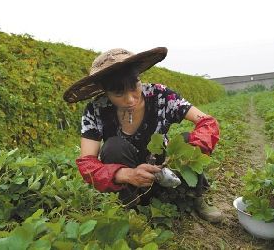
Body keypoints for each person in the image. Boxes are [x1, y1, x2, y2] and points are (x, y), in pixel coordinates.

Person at [63, 47, 223, 223]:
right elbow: (87, 163)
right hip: (130, 176)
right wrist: (125, 174)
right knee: (112, 147)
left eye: (134, 87)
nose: (130, 99)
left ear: (139, 78)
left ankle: (194, 197)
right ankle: (133, 206)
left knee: (186, 141)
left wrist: (191, 150)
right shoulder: (96, 110)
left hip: (166, 166)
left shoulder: (161, 95)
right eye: (119, 93)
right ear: (105, 92)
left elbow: (207, 122)